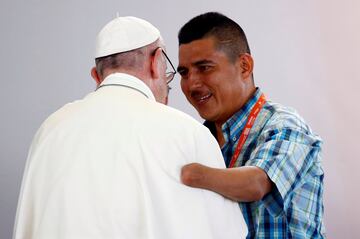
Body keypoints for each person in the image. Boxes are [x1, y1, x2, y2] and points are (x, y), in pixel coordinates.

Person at [13, 16, 248, 239]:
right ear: (156, 63)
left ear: (97, 76)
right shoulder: (190, 133)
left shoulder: (51, 129)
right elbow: (229, 233)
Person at [177, 12, 325, 238]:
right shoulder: (197, 137)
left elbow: (256, 184)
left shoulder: (285, 125)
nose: (192, 84)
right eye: (184, 72)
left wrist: (187, 174)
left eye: (204, 67)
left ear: (245, 66)